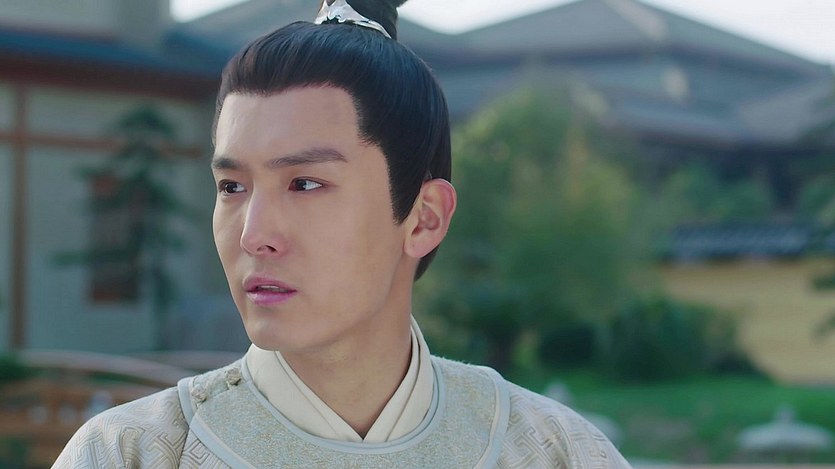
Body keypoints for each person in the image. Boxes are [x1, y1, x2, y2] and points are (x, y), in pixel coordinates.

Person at [54, 0, 632, 467]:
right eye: (232, 186)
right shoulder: (133, 453)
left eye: (305, 183)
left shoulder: (549, 451)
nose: (254, 234)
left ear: (424, 217)